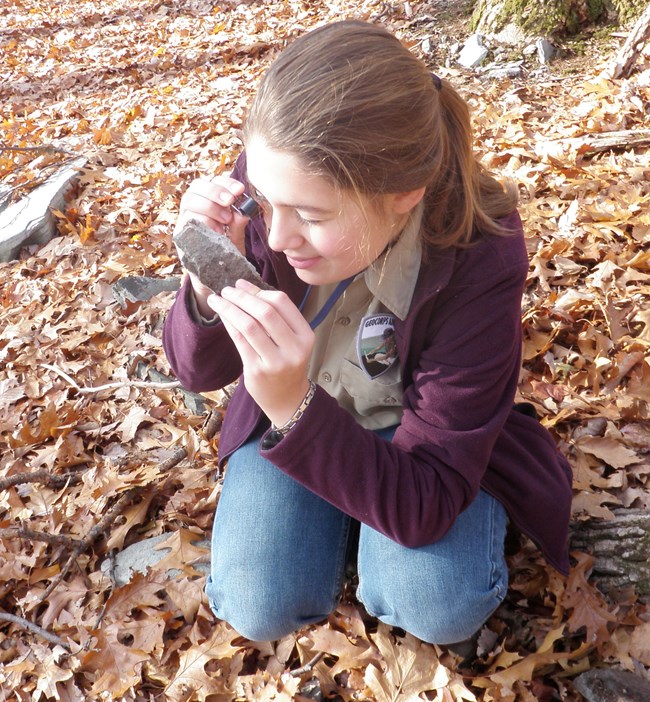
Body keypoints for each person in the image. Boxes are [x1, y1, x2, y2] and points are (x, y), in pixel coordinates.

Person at [163, 20, 573, 646]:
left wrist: (293, 407)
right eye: (268, 205)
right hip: (293, 410)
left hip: (416, 437)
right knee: (258, 603)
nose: (277, 238)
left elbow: (429, 493)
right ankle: (343, 509)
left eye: (313, 217)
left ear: (402, 196)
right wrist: (205, 278)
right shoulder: (280, 177)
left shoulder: (480, 251)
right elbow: (198, 371)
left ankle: (369, 524)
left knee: (435, 601)